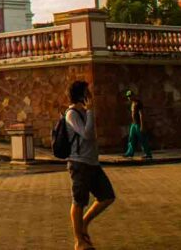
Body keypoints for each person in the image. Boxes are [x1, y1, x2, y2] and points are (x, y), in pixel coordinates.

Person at [65, 80, 115, 250]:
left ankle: (84, 222)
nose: (91, 95)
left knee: (107, 196)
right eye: (88, 92)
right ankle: (79, 241)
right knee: (79, 201)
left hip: (92, 162)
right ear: (82, 96)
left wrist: (90, 112)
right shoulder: (71, 114)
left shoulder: (85, 112)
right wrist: (91, 111)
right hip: (79, 163)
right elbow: (86, 134)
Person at [123, 90, 152, 159]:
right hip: (133, 124)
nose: (129, 98)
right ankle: (130, 153)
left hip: (139, 124)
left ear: (133, 95)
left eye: (130, 96)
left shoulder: (138, 103)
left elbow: (141, 114)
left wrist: (142, 125)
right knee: (131, 138)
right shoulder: (132, 103)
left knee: (142, 139)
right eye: (128, 96)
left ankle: (147, 153)